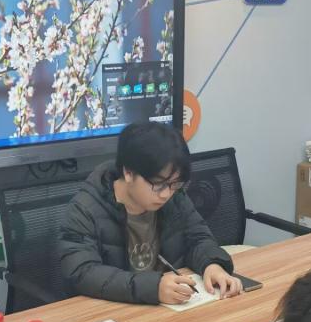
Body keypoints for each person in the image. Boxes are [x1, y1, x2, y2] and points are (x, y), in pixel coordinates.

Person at [58, 121, 242, 305]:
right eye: (158, 184)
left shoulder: (175, 197)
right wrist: (153, 288)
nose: (165, 194)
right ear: (128, 172)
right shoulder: (84, 209)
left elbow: (198, 238)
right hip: (117, 308)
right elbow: (83, 272)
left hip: (171, 306)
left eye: (175, 184)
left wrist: (212, 264)